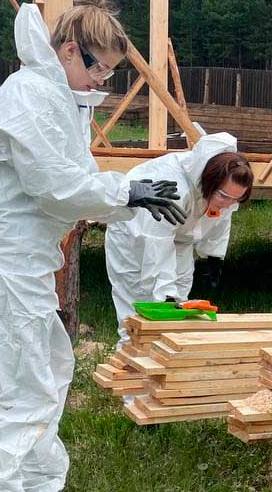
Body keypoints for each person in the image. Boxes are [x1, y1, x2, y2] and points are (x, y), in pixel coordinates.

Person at [0, 0, 187, 492]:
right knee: (22, 382)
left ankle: (40, 489)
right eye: (98, 69)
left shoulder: (58, 99)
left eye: (109, 73)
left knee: (49, 367)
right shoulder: (32, 96)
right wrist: (126, 191)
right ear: (66, 49)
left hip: (20, 260)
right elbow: (56, 187)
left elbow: (69, 182)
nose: (102, 82)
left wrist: (120, 193)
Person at [105, 135, 254, 346]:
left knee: (178, 302)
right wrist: (164, 290)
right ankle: (128, 365)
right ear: (210, 181)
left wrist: (214, 254)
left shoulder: (222, 188)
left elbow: (221, 216)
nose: (229, 204)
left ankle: (163, 361)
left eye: (236, 199)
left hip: (179, 238)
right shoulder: (174, 184)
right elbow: (156, 242)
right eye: (224, 197)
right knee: (139, 303)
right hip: (136, 236)